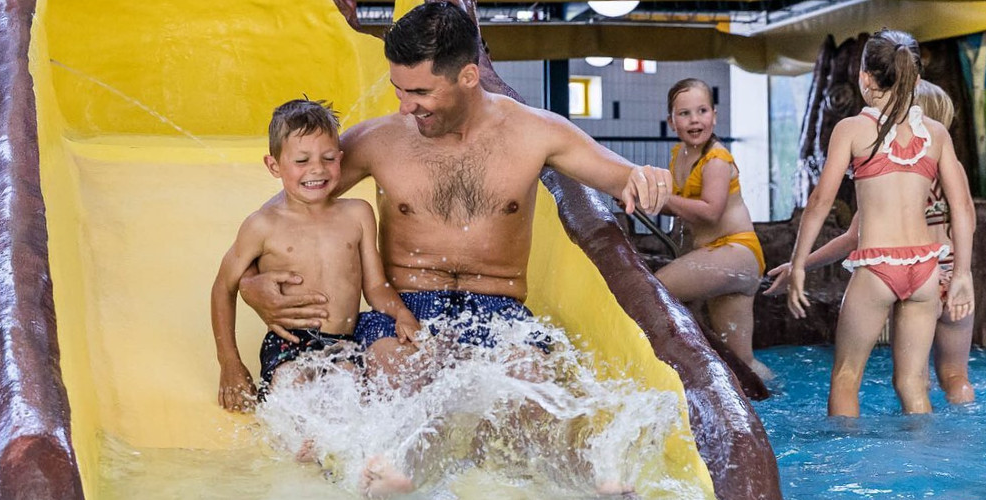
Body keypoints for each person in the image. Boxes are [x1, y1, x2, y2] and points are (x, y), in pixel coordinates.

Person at [237, 2, 672, 495]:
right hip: (406, 307)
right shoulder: (380, 140)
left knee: (529, 393)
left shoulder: (535, 132)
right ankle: (396, 478)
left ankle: (594, 485)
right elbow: (287, 207)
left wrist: (648, 179)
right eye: (399, 89)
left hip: (500, 309)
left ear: (468, 75)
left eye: (421, 91)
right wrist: (252, 284)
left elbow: (623, 177)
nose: (405, 105)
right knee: (398, 384)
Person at [787, 30, 975, 418]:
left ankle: (844, 475)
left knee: (846, 376)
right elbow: (962, 209)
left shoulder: (852, 129)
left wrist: (798, 265)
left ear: (865, 78)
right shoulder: (935, 135)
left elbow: (820, 201)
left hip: (877, 266)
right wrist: (962, 274)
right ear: (916, 79)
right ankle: (928, 469)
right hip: (925, 269)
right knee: (911, 384)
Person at [210, 99, 420, 416]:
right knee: (290, 389)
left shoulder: (358, 215)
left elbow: (375, 286)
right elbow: (222, 288)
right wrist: (229, 362)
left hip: (343, 345)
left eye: (328, 158)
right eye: (302, 160)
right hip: (288, 345)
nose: (317, 169)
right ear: (274, 165)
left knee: (348, 393)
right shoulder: (262, 225)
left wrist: (401, 314)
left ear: (341, 158)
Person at [655, 78, 771, 381]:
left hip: (737, 252)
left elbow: (710, 211)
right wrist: (647, 200)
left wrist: (664, 199)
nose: (695, 120)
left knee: (654, 289)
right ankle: (771, 393)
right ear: (671, 122)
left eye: (702, 111)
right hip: (721, 259)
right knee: (740, 363)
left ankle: (667, 370)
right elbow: (679, 208)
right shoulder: (679, 156)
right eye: (684, 114)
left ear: (714, 116)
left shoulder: (716, 159)